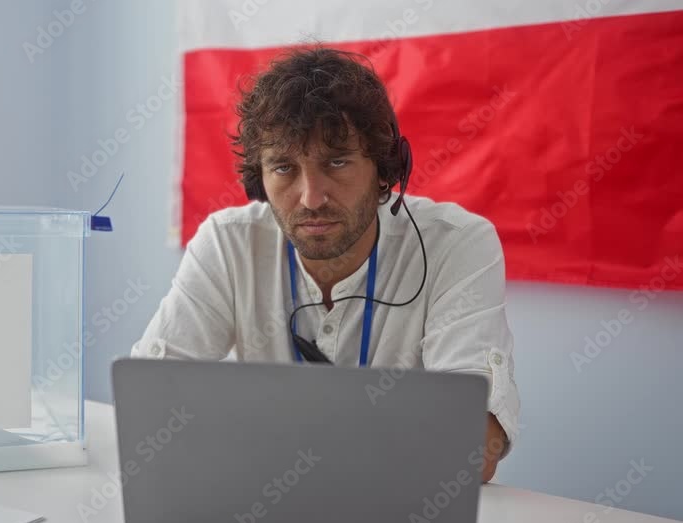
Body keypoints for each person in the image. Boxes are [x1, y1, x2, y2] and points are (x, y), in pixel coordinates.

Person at [131, 47, 519, 481]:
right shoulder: (227, 242)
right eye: (283, 167)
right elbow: (150, 411)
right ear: (259, 178)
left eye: (337, 162)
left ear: (385, 169)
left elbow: (474, 448)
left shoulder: (457, 243)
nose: (311, 198)